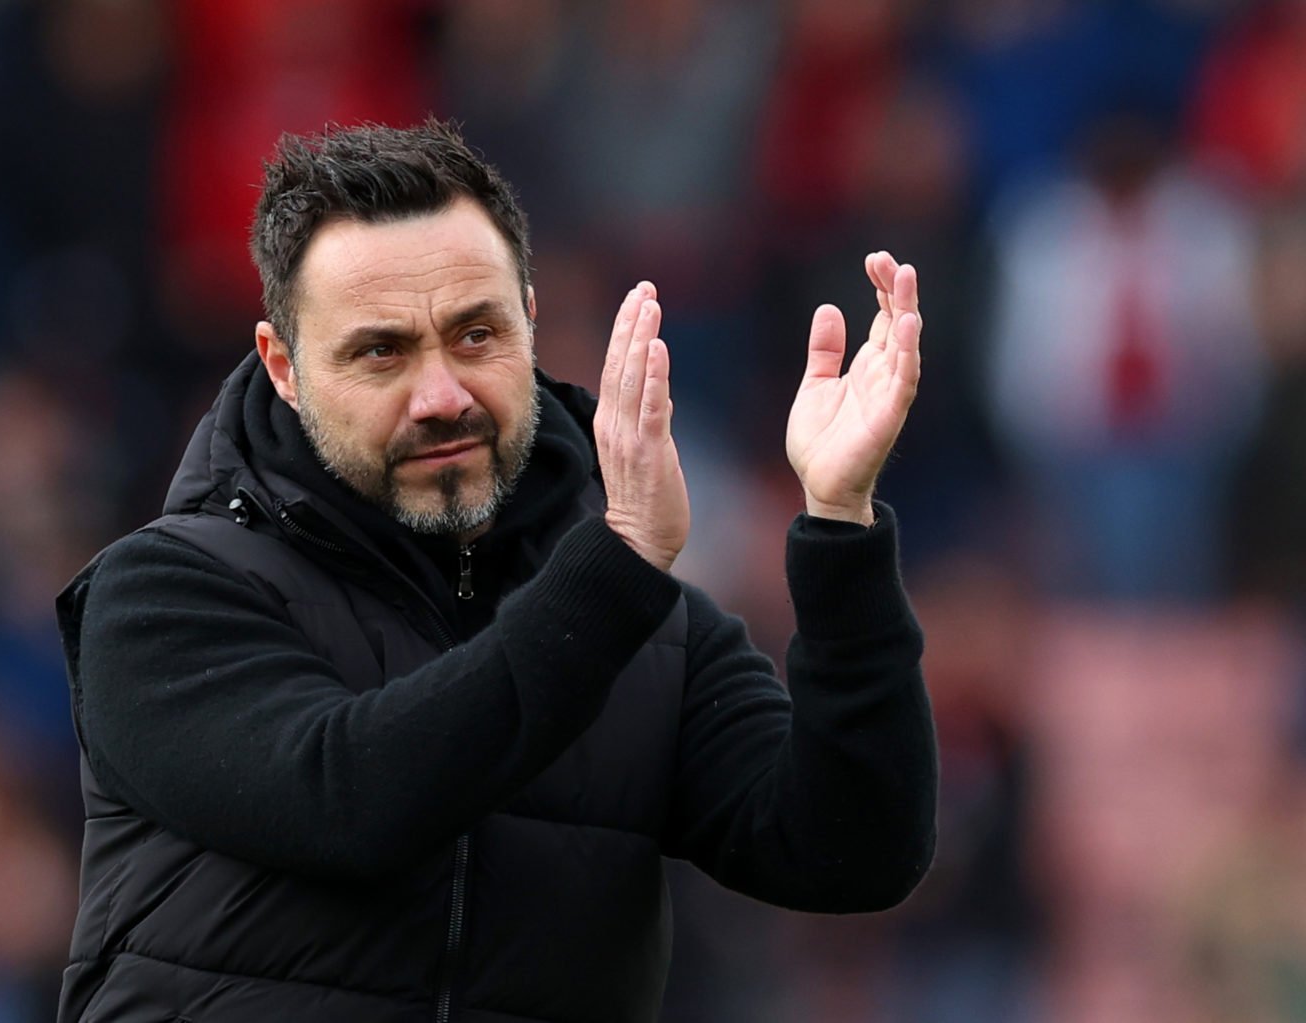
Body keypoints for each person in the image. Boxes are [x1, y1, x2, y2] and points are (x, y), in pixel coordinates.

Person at [54, 119, 936, 1023]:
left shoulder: (639, 616)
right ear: (283, 365)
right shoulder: (161, 596)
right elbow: (353, 801)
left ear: (530, 317)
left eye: (476, 335)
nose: (443, 396)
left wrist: (840, 526)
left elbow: (855, 853)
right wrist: (618, 563)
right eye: (381, 351)